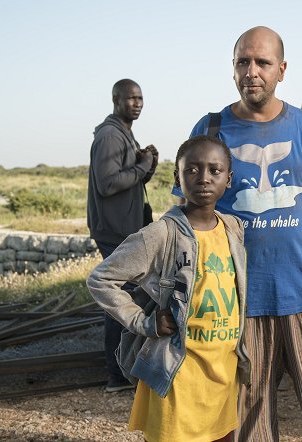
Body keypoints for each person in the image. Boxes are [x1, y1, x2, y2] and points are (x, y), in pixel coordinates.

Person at [176, 26, 302, 441]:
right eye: (243, 61)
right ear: (232, 69)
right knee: (248, 422)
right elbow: (185, 216)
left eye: (262, 62)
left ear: (281, 69)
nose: (252, 71)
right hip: (239, 305)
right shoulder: (210, 131)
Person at [88, 135, 250, 442]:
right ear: (178, 177)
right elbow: (101, 279)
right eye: (192, 170)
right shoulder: (160, 234)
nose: (203, 177)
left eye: (214, 170)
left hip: (222, 376)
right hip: (178, 377)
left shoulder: (233, 229)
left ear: (228, 179)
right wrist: (143, 322)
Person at [87, 78, 159, 392]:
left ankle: (124, 369)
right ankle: (118, 375)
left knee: (130, 295)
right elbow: (107, 184)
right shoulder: (109, 135)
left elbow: (129, 180)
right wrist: (142, 166)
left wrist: (146, 162)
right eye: (131, 98)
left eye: (140, 98)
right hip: (113, 230)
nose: (137, 103)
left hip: (123, 227)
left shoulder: (123, 134)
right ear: (116, 99)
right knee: (121, 297)